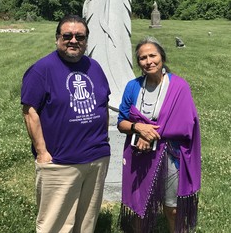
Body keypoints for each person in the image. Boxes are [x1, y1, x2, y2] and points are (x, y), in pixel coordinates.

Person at [21, 14, 111, 233]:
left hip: (96, 159)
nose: (73, 40)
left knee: (86, 223)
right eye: (67, 35)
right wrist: (43, 153)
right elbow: (29, 111)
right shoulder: (41, 70)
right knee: (55, 224)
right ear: (57, 38)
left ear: (86, 40)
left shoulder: (94, 67)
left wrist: (104, 140)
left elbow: (103, 102)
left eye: (80, 36)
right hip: (61, 162)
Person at [117, 36, 201, 233]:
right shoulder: (133, 86)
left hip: (170, 154)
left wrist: (150, 134)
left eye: (152, 55)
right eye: (143, 58)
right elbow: (121, 122)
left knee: (172, 207)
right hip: (138, 154)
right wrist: (138, 129)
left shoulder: (179, 87)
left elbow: (186, 124)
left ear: (162, 57)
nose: (148, 61)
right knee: (140, 208)